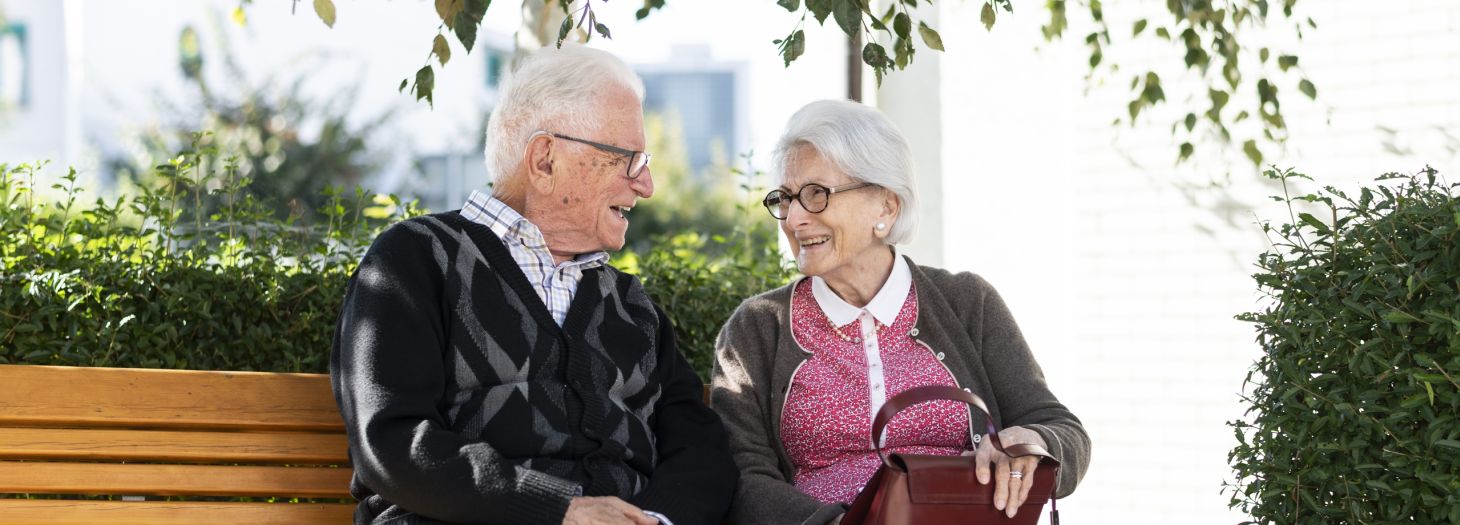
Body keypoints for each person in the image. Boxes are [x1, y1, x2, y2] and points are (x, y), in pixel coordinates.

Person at [330, 44, 737, 525]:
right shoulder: (416, 260)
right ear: (545, 160)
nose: (645, 185)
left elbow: (701, 451)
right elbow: (393, 444)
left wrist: (652, 521)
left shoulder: (631, 305)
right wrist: (558, 510)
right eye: (627, 159)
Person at [710, 100, 1091, 525]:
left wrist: (1030, 441)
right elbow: (743, 474)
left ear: (886, 206)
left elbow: (1063, 431)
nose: (794, 219)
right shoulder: (757, 328)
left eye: (816, 194)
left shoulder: (968, 302)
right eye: (786, 198)